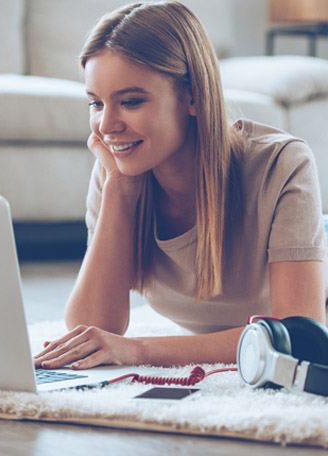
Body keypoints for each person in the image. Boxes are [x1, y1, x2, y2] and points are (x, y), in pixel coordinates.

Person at [34, 1, 327, 370]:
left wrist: (140, 350)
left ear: (193, 96)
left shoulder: (282, 164)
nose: (106, 126)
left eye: (130, 101)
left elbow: (298, 338)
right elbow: (90, 330)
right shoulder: (118, 170)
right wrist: (119, 192)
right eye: (96, 104)